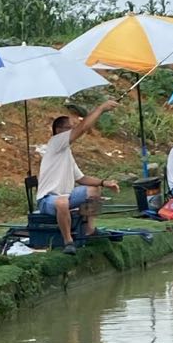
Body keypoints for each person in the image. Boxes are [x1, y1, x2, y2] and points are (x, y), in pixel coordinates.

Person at [34, 96, 116, 249]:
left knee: (93, 191)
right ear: (59, 131)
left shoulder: (65, 151)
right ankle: (68, 241)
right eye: (70, 128)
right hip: (47, 200)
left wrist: (104, 183)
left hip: (65, 196)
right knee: (62, 202)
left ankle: (90, 230)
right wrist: (101, 108)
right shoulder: (56, 142)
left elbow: (81, 178)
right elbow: (83, 128)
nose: (73, 130)